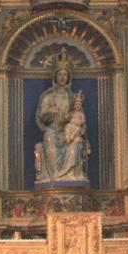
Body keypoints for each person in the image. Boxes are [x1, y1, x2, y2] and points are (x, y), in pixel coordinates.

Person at [34, 52, 90, 185]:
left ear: (68, 77)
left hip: (68, 132)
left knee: (76, 142)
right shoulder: (48, 97)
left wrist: (73, 123)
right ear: (55, 77)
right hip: (53, 130)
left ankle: (68, 174)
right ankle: (54, 176)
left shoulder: (73, 97)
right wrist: (49, 111)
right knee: (49, 137)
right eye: (60, 74)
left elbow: (80, 119)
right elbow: (41, 115)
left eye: (65, 74)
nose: (62, 77)